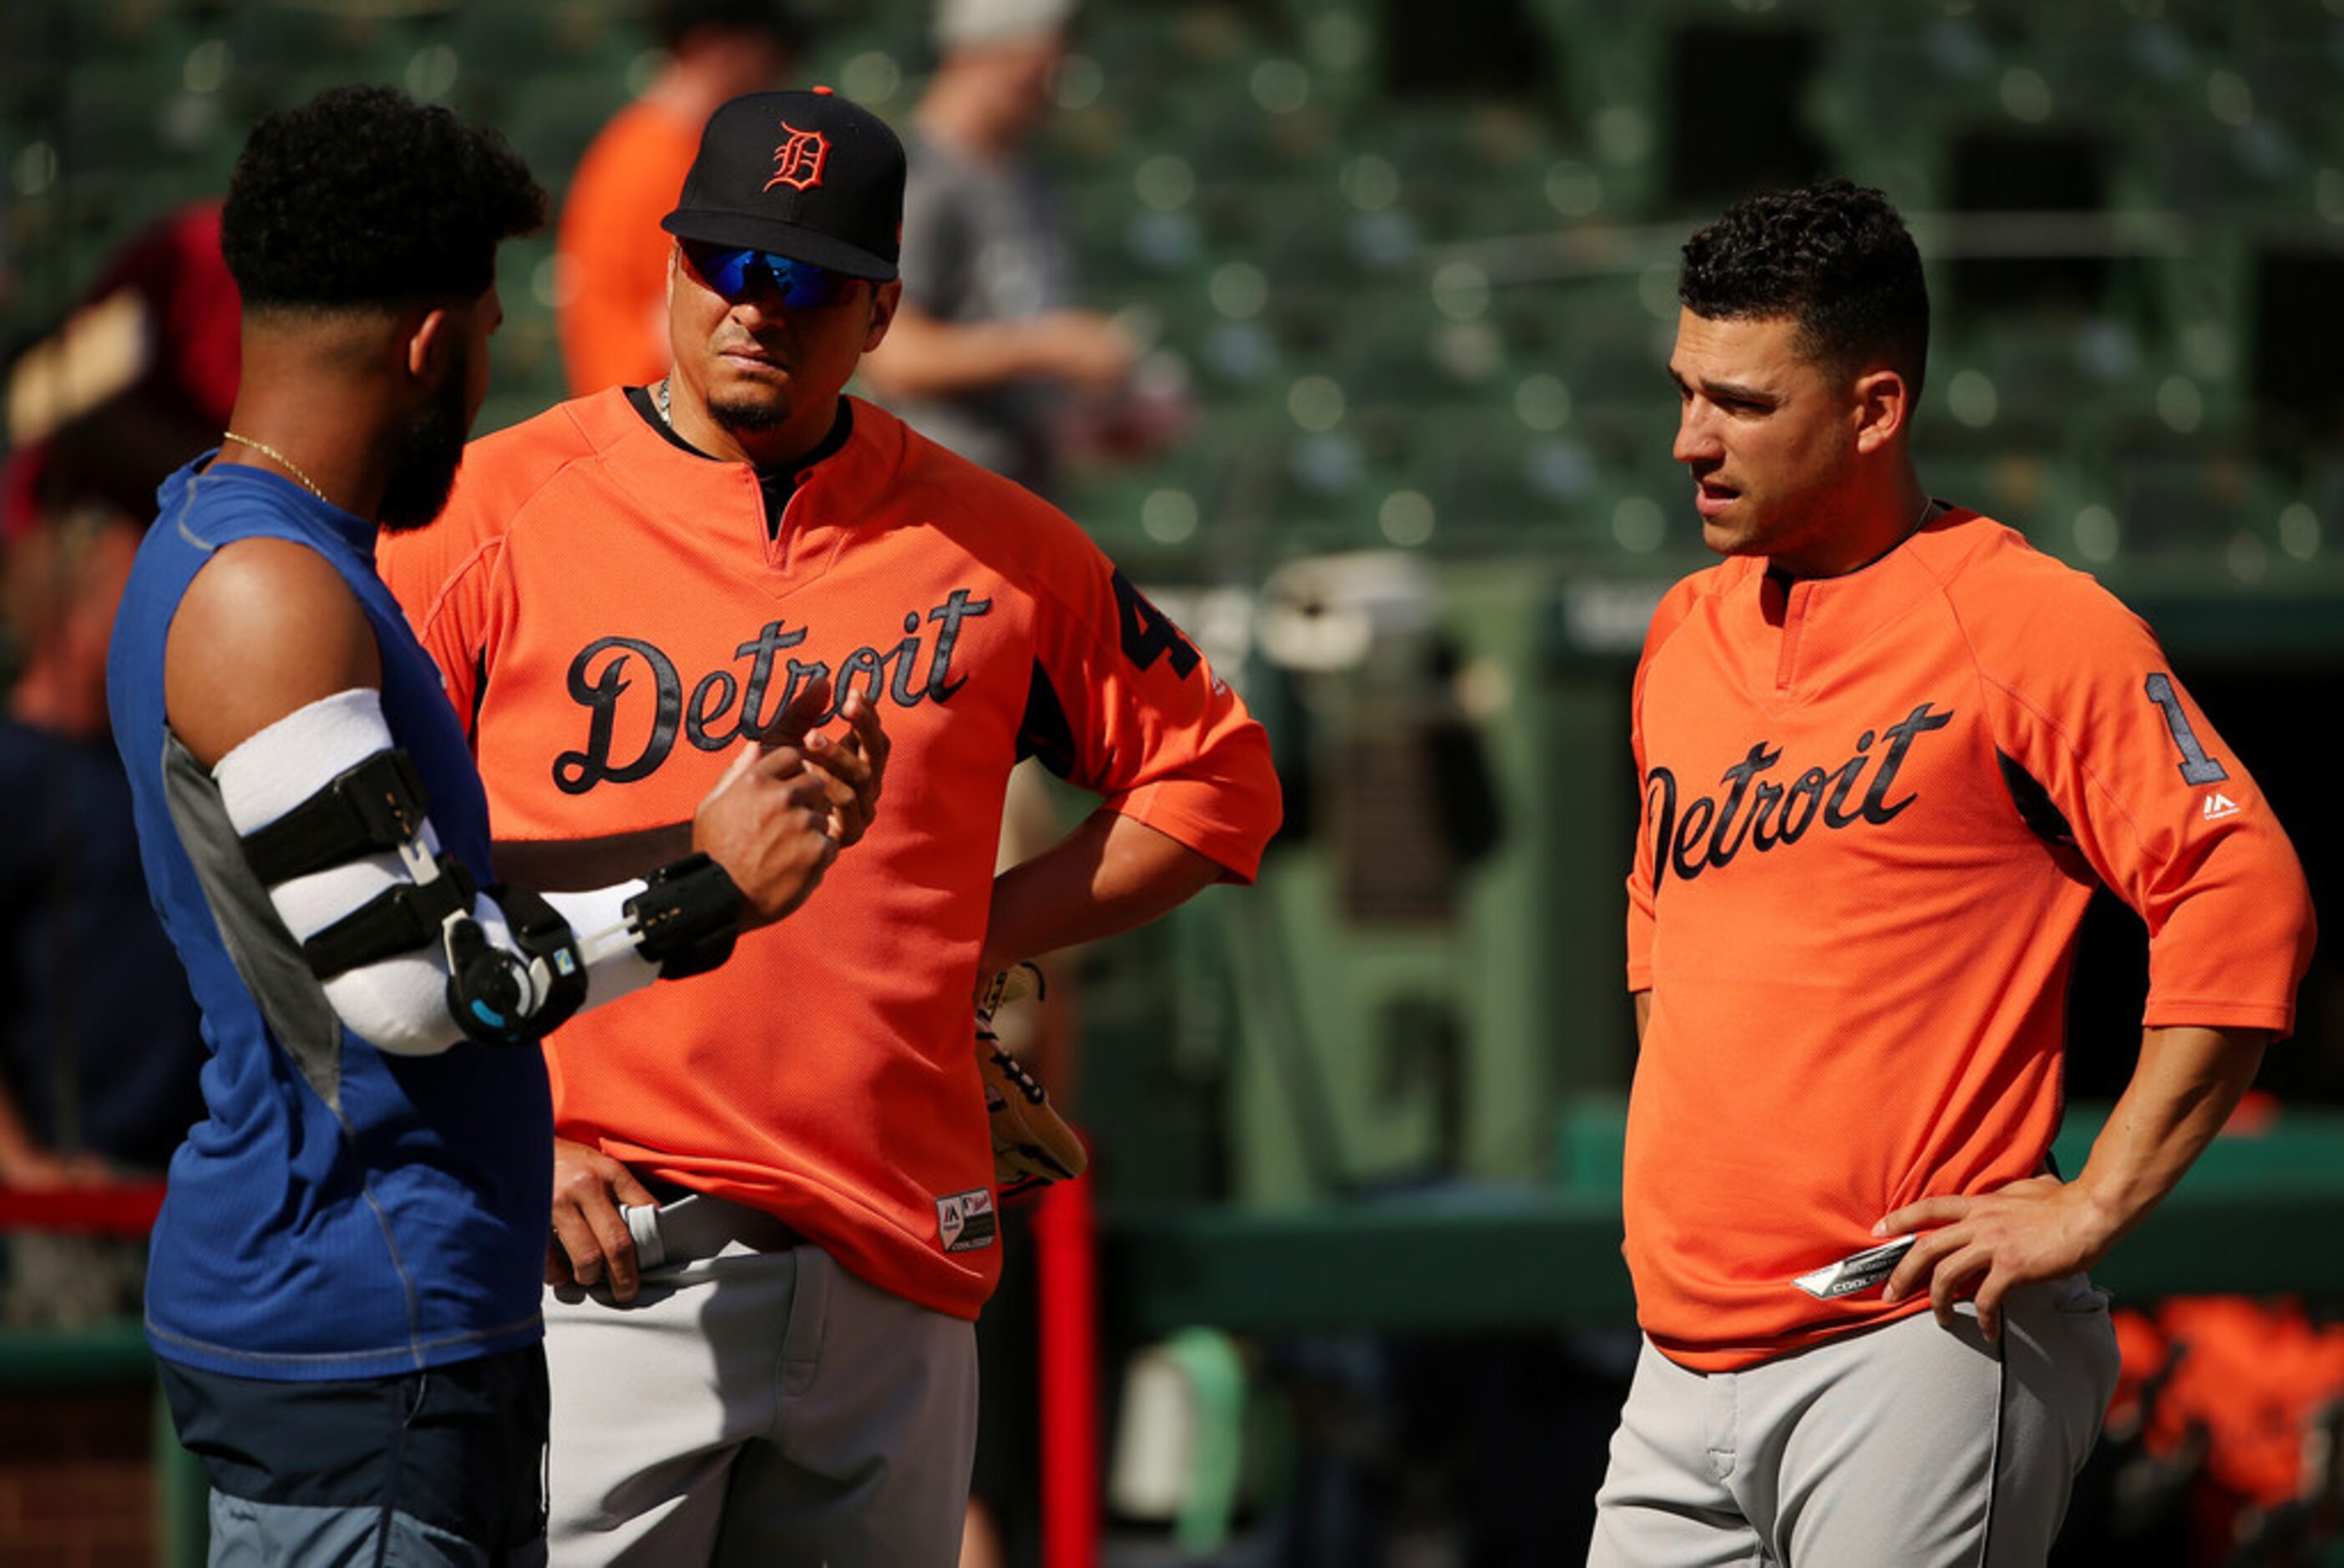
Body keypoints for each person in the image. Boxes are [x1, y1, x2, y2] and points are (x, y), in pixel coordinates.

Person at [378, 86, 1282, 1565]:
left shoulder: (996, 543)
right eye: (724, 261)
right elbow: (356, 874)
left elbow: (1217, 776)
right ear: (671, 268)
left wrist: (977, 927)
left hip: (892, 1266)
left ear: (879, 314)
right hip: (605, 1262)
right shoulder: (495, 513)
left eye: (801, 279)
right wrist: (505, 1126)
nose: (755, 304)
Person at [106, 85, 872, 1565]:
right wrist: (705, 895)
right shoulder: (268, 593)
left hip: (392, 1327)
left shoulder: (266, 550)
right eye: (492, 317)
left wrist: (705, 830)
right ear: (428, 340)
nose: (500, 353)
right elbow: (411, 986)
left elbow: (418, 885)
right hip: (354, 1328)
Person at [1590, 178, 2319, 1565]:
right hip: (1679, 1355)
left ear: (1872, 408)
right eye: (1685, 389)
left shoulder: (2025, 622)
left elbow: (2244, 888)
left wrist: (2096, 1197)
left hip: (1911, 1336)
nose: (1689, 439)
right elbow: (1657, 919)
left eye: (1740, 401)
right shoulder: (1682, 628)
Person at [856, 0, 1176, 499]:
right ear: (975, 57)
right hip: (936, 501)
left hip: (1018, 493)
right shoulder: (919, 177)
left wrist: (1100, 414)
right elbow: (893, 355)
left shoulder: (1026, 177)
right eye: (1033, 71)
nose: (1049, 90)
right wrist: (1050, 345)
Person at [557, 0, 802, 395]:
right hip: (652, 411)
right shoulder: (662, 159)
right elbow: (693, 316)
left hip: (643, 407)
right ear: (714, 49)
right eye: (769, 54)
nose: (778, 75)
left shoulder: (643, 143)